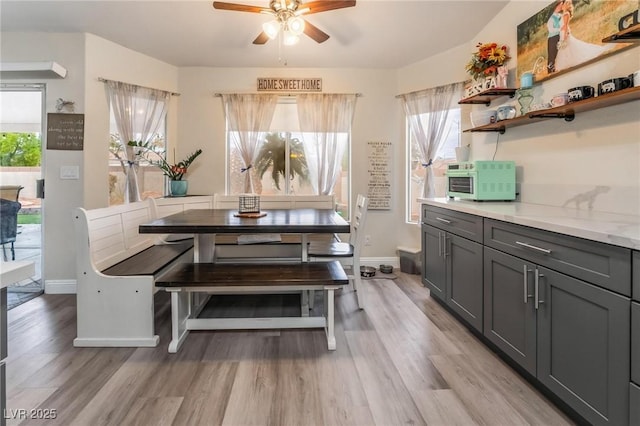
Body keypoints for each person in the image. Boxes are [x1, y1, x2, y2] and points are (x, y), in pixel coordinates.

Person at [554, 0, 609, 72]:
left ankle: (569, 62)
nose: (563, 5)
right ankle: (567, 63)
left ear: (566, 5)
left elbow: (565, 26)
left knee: (568, 48)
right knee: (566, 49)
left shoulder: (566, 14)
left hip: (564, 34)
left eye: (565, 4)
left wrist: (564, 37)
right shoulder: (563, 14)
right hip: (562, 33)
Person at [546, 0, 564, 73]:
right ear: (557, 5)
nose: (562, 6)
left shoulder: (560, 15)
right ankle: (550, 71)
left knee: (559, 53)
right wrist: (560, 29)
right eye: (561, 4)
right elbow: (551, 30)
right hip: (552, 38)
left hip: (559, 36)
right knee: (552, 55)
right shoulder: (550, 19)